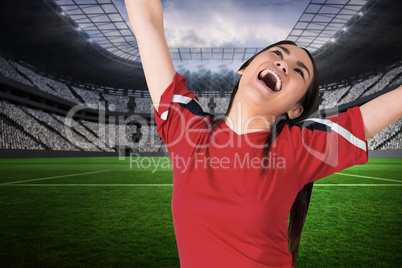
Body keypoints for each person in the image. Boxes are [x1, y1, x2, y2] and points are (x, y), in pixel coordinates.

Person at [125, 1, 402, 267]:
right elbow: (146, 20)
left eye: (298, 71)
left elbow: (381, 109)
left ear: (295, 109)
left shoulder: (297, 149)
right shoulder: (188, 132)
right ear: (245, 67)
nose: (284, 65)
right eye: (278, 54)